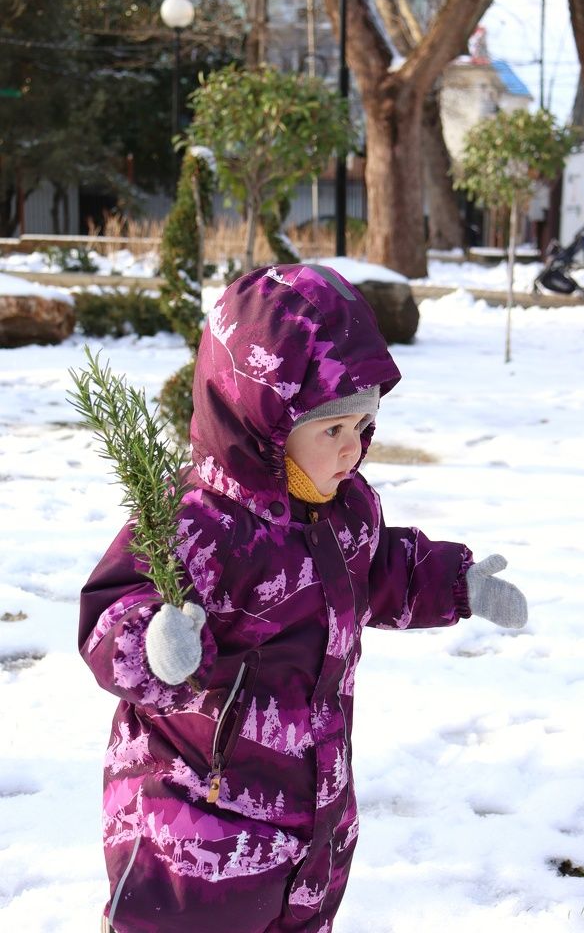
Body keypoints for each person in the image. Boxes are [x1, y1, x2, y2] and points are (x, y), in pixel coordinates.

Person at [80, 263, 527, 933]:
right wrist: (152, 645)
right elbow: (111, 617)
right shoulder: (195, 525)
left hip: (311, 826)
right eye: (332, 431)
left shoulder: (345, 512)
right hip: (193, 840)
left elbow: (379, 573)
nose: (353, 450)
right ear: (262, 417)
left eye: (363, 426)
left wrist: (457, 582)